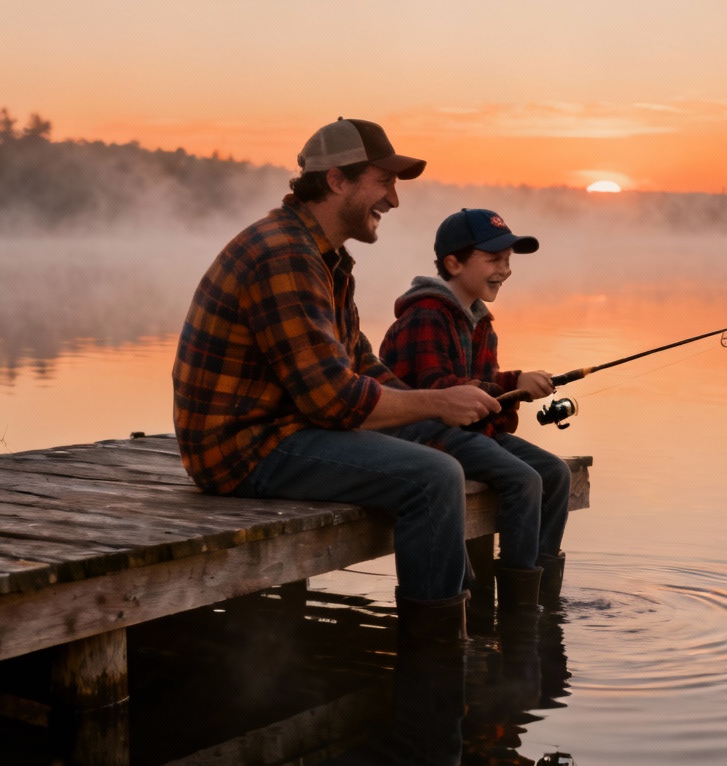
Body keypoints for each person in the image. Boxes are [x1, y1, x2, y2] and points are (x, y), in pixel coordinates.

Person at [172, 118, 501, 646]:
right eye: (383, 182)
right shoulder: (283, 254)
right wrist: (436, 400)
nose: (393, 200)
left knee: (437, 449)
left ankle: (466, 627)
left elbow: (360, 366)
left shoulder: (324, 257)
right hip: (241, 447)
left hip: (285, 427)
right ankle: (437, 649)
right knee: (434, 477)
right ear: (337, 180)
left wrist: (438, 412)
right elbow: (332, 399)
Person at [379, 208, 571, 611]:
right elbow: (439, 392)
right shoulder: (426, 315)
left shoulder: (481, 322)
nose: (505, 270)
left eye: (508, 261)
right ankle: (519, 610)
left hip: (467, 433)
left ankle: (542, 596)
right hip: (424, 435)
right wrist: (511, 384)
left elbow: (483, 399)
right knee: (523, 481)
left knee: (555, 472)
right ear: (454, 262)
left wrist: (517, 390)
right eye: (494, 260)